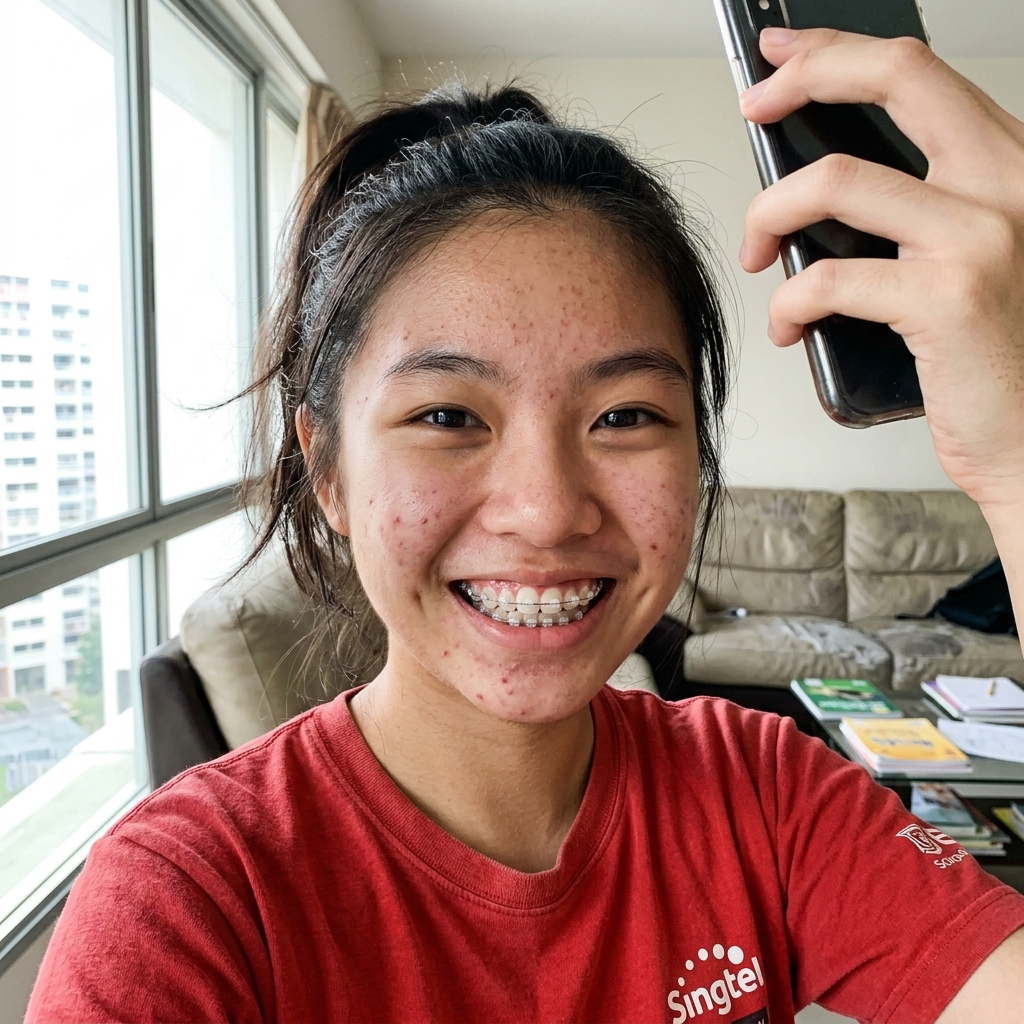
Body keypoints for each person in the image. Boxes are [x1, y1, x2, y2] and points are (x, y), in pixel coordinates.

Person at [27, 27, 1024, 1023]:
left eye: (622, 417)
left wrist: (1014, 458)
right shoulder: (183, 902)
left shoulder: (767, 793)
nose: (546, 512)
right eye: (446, 417)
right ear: (326, 467)